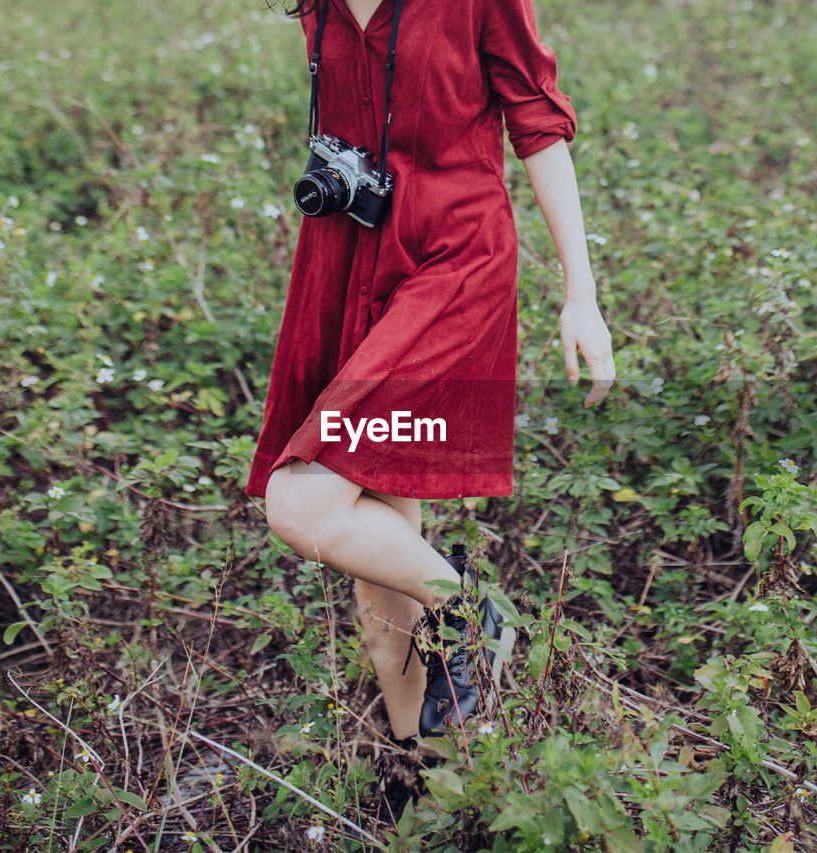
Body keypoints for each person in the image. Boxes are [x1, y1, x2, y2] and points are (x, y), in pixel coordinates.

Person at [244, 0, 615, 820]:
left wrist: (580, 294)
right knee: (378, 558)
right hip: (346, 258)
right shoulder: (319, 5)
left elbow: (538, 123)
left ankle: (475, 615)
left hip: (451, 263)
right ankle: (436, 783)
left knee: (303, 501)